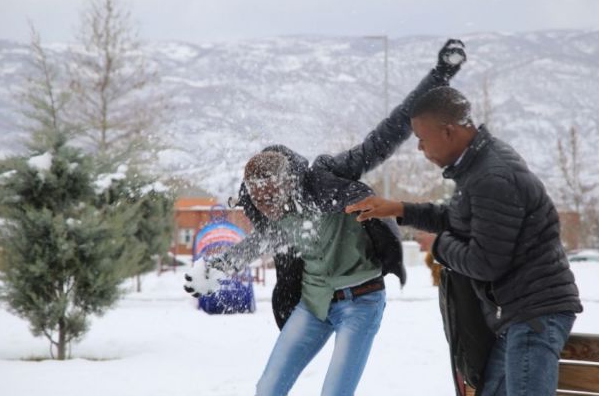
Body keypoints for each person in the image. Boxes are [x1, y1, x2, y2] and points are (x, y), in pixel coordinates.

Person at [183, 40, 467, 396]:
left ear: (288, 183)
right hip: (313, 303)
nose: (268, 206)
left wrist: (439, 76)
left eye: (273, 196)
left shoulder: (328, 177)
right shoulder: (271, 211)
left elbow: (389, 131)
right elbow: (259, 242)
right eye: (259, 199)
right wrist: (216, 267)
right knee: (268, 388)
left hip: (361, 302)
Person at [345, 86, 583, 395]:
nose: (419, 148)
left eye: (421, 138)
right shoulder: (481, 165)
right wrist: (400, 209)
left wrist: (439, 245)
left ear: (448, 131)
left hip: (534, 314)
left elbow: (485, 263)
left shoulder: (491, 176)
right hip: (520, 315)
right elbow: (458, 218)